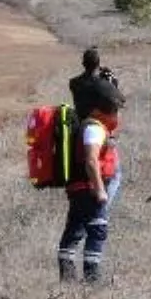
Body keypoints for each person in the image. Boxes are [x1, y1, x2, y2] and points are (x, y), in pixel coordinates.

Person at [57, 81, 124, 283]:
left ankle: (67, 280)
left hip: (80, 188)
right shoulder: (94, 128)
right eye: (115, 111)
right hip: (89, 189)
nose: (117, 116)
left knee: (75, 230)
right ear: (103, 111)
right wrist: (100, 189)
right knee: (97, 230)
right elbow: (91, 159)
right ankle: (91, 280)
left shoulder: (92, 125)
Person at [68, 47, 123, 219]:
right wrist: (112, 83)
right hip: (98, 128)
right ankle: (100, 210)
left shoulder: (74, 82)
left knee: (86, 173)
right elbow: (119, 101)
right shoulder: (102, 84)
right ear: (98, 64)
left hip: (80, 130)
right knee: (113, 172)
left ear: (83, 63)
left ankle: (91, 208)